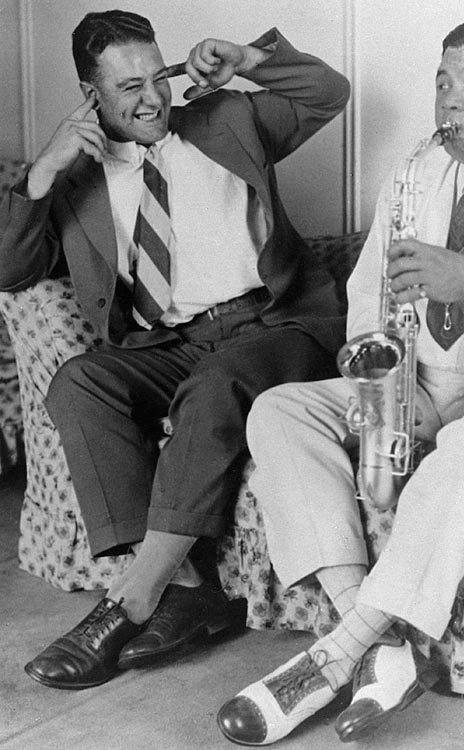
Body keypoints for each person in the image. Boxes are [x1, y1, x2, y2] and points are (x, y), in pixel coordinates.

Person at [216, 17, 464, 746]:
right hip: (427, 374)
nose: (449, 102)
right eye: (442, 82)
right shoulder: (416, 170)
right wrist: (382, 381)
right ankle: (376, 640)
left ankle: (331, 657)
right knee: (280, 411)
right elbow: (371, 291)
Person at [0, 10, 350, 690]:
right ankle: (191, 590)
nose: (152, 97)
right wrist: (44, 168)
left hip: (279, 327)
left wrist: (248, 57)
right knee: (80, 382)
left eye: (156, 76)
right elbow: (11, 272)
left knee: (216, 384)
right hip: (177, 342)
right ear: (90, 93)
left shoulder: (226, 120)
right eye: (127, 86)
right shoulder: (78, 178)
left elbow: (326, 94)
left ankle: (130, 597)